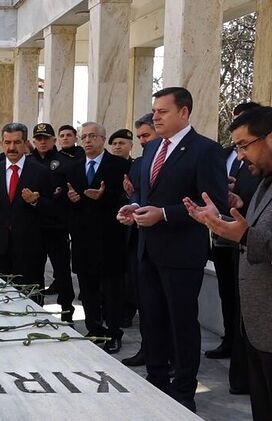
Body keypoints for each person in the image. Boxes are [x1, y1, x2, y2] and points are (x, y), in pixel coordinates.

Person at [116, 87, 228, 412]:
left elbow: (215, 205)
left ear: (184, 112)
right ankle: (156, 383)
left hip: (182, 255)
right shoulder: (151, 150)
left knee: (181, 324)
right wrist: (134, 208)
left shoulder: (205, 150)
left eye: (163, 111)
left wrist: (164, 215)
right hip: (147, 251)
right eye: (154, 111)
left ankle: (183, 394)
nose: (156, 117)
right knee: (151, 321)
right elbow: (147, 195)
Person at [184, 105, 272, 420]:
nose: (240, 155)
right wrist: (219, 221)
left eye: (244, 145)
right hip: (259, 326)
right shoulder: (264, 180)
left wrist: (242, 235)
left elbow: (256, 236)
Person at [64, 122, 130, 353]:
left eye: (93, 136)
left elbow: (127, 199)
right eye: (84, 137)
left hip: (110, 236)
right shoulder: (73, 167)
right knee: (88, 286)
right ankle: (94, 329)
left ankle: (114, 332)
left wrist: (104, 197)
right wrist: (72, 199)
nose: (88, 141)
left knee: (112, 289)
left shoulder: (119, 165)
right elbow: (66, 201)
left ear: (103, 140)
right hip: (83, 238)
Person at [0, 122, 52, 300]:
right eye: (7, 142)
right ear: (2, 142)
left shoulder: (40, 172)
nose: (12, 147)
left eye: (17, 142)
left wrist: (36, 201)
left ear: (26, 143)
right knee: (1, 297)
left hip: (29, 246)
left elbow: (52, 208)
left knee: (30, 296)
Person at [27, 123, 75, 320]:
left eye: (46, 138)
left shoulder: (65, 161)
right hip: (34, 227)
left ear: (54, 140)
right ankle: (37, 313)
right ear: (33, 141)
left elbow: (66, 195)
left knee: (62, 273)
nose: (43, 142)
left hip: (57, 226)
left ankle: (67, 314)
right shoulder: (27, 162)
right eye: (39, 138)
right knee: (33, 273)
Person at [121, 113, 158, 367]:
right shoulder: (139, 163)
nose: (143, 141)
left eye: (147, 135)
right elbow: (138, 195)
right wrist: (132, 204)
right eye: (140, 137)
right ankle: (149, 349)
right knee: (146, 303)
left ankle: (173, 358)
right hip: (139, 241)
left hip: (169, 244)